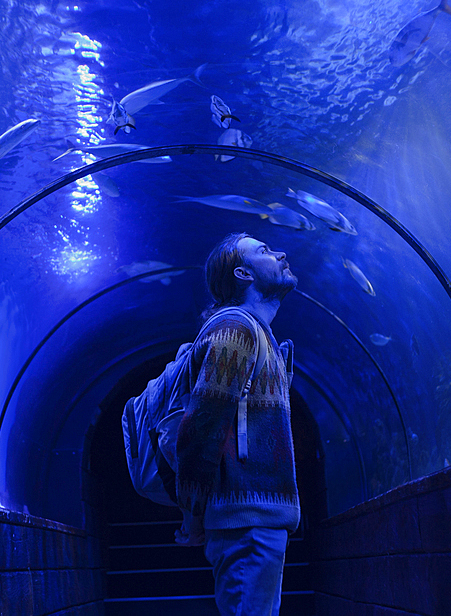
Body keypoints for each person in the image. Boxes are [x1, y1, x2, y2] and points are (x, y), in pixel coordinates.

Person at [176, 232, 300, 616]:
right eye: (264, 251)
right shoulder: (236, 329)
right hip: (244, 521)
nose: (280, 253)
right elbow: (202, 426)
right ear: (243, 274)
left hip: (257, 520)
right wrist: (193, 512)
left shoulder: (262, 335)